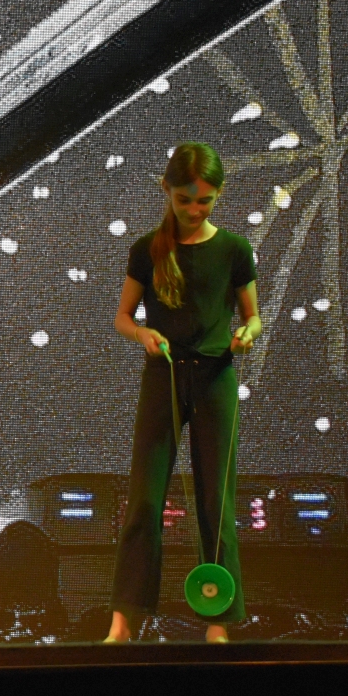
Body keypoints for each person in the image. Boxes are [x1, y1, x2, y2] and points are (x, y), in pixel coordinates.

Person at [106, 142, 259, 645]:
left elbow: (253, 316)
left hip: (215, 379)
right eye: (185, 199)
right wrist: (143, 334)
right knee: (144, 501)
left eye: (205, 200)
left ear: (218, 195)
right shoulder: (147, 249)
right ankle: (123, 621)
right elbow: (122, 317)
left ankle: (219, 621)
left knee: (217, 503)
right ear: (167, 191)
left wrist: (247, 333)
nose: (195, 209)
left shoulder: (234, 250)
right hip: (164, 377)